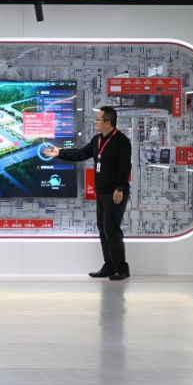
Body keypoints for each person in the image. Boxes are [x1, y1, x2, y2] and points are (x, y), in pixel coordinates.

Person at [42, 106, 132, 280]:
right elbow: (81, 153)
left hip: (115, 193)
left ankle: (122, 269)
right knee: (103, 229)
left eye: (98, 119)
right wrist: (59, 153)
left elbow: (124, 167)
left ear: (108, 123)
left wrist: (120, 188)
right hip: (101, 191)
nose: (95, 122)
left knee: (112, 230)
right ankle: (109, 267)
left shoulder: (121, 141)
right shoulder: (97, 140)